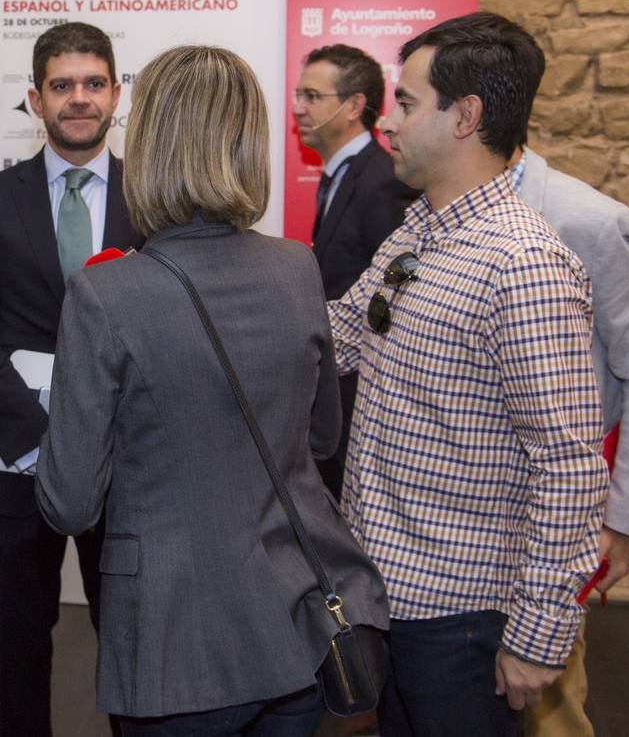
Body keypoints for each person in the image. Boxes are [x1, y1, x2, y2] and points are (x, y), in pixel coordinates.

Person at [36, 45, 389, 734]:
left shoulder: (106, 292)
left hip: (173, 646)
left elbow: (70, 502)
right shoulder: (297, 268)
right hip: (295, 625)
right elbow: (318, 440)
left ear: (151, 144)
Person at [328, 12, 609, 735]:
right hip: (392, 597)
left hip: (460, 621)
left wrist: (537, 636)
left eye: (408, 103)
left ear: (467, 116)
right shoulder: (421, 229)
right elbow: (337, 338)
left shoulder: (524, 266)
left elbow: (569, 465)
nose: (388, 123)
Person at [0, 21, 142, 736]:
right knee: (22, 651)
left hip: (129, 465)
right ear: (35, 98)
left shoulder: (152, 198)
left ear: (117, 93)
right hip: (15, 461)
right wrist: (40, 442)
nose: (79, 99)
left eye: (93, 83)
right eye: (63, 85)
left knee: (136, 652)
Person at [512, 139, 629, 735]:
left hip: (556, 513)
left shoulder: (589, 221)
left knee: (549, 705)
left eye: (408, 104)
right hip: (468, 520)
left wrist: (624, 520)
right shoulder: (427, 213)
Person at [294, 44, 418, 498]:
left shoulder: (384, 183)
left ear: (353, 106)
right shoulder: (344, 175)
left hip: (363, 405)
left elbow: (394, 303)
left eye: (312, 96)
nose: (298, 108)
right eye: (297, 94)